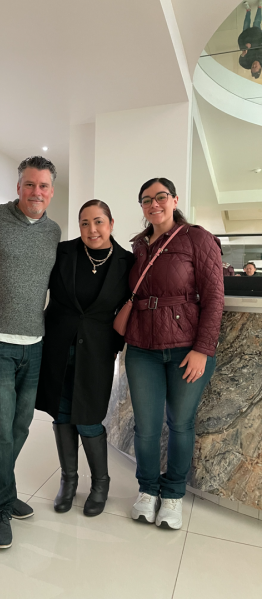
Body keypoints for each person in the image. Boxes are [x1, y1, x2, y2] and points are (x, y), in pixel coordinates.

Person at [124, 178, 224, 530]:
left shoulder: (197, 238)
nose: (154, 204)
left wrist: (202, 349)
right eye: (146, 199)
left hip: (186, 348)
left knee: (180, 423)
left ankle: (173, 494)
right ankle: (147, 489)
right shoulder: (138, 245)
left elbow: (214, 298)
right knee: (146, 426)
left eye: (161, 197)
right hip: (141, 349)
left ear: (175, 200)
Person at [0, 156, 61, 549]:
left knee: (20, 426)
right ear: (18, 187)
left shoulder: (53, 231)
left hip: (35, 342)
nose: (36, 192)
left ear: (51, 192)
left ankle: (3, 490)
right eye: (30, 184)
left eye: (43, 186)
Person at [35, 200, 134, 517]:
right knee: (62, 415)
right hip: (58, 348)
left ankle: (100, 484)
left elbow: (132, 307)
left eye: (99, 221)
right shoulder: (63, 252)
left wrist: (116, 344)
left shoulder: (127, 262)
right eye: (85, 223)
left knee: (89, 419)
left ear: (111, 223)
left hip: (96, 352)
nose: (92, 229)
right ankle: (68, 480)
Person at [239, 1, 262, 78]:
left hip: (247, 37)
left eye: (252, 67)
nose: (254, 65)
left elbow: (241, 61)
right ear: (260, 67)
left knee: (246, 24)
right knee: (257, 22)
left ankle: (248, 10)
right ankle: (260, 7)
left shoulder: (247, 63)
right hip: (257, 35)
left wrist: (243, 53)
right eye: (256, 67)